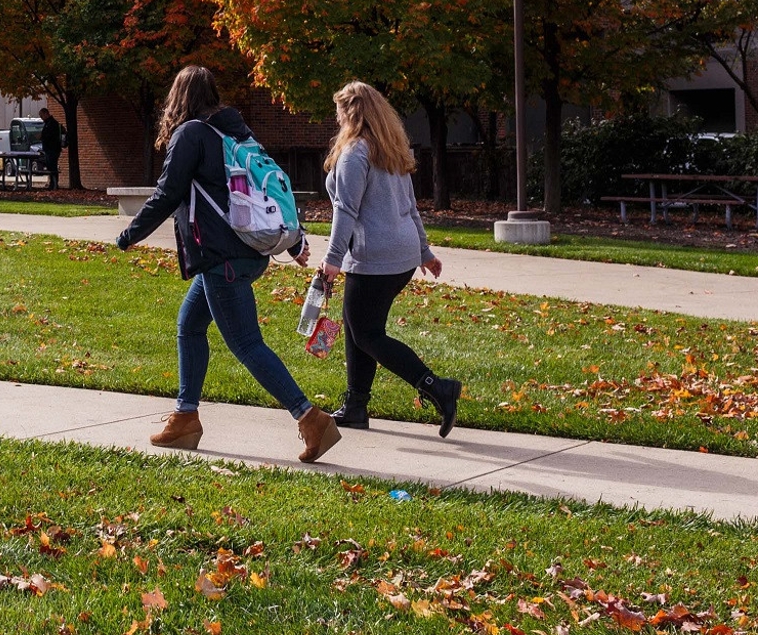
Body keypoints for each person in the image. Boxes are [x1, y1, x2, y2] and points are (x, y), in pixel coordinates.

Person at [112, 66, 341, 464]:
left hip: (223, 260)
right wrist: (292, 241)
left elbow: (168, 193)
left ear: (179, 98)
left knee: (247, 343)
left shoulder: (191, 135)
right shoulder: (236, 133)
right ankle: (185, 417)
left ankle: (310, 418)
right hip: (243, 255)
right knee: (190, 324)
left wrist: (130, 234)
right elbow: (266, 191)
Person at [319, 82, 463, 436]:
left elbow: (346, 209)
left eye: (340, 112)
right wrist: (424, 252)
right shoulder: (391, 150)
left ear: (352, 114)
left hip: (374, 257)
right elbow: (410, 208)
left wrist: (332, 258)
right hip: (400, 257)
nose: (337, 119)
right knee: (357, 329)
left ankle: (437, 387)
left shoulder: (355, 153)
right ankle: (355, 407)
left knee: (366, 333)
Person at [38, 106, 65, 189]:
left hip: (52, 149)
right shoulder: (49, 123)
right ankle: (52, 183)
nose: (42, 118)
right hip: (50, 149)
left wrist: (42, 136)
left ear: (46, 114)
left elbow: (50, 136)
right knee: (50, 166)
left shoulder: (52, 124)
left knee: (52, 167)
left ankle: (54, 184)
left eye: (42, 116)